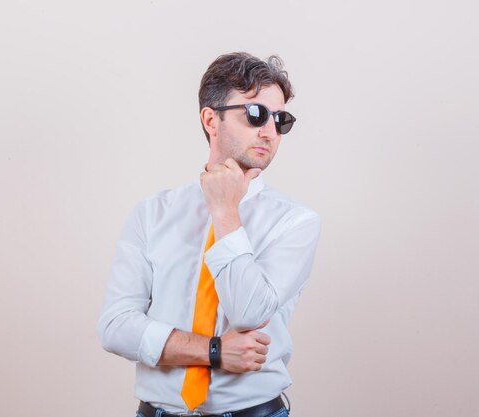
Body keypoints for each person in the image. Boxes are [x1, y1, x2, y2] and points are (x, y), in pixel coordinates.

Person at [97, 52, 321, 417]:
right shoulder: (153, 213)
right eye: (254, 114)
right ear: (210, 119)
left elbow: (248, 313)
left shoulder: (296, 222)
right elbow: (115, 326)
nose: (269, 131)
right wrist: (214, 350)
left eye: (281, 120)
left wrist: (225, 212)